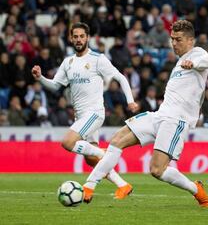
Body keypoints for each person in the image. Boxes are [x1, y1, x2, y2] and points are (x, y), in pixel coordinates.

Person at [82, 20, 208, 207]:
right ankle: (89, 186)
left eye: (178, 40)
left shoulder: (198, 54)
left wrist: (194, 62)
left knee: (156, 169)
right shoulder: (179, 62)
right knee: (116, 140)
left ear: (190, 40)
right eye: (172, 39)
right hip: (159, 115)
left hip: (176, 121)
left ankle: (196, 190)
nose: (174, 43)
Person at [32, 22, 139, 200]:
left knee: (67, 142)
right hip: (81, 115)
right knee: (90, 159)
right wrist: (40, 78)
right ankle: (123, 185)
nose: (79, 39)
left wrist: (130, 101)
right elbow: (55, 86)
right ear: (71, 38)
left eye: (82, 36)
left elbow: (120, 77)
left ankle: (104, 154)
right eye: (76, 36)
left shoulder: (98, 59)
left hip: (94, 113)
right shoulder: (68, 62)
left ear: (87, 38)